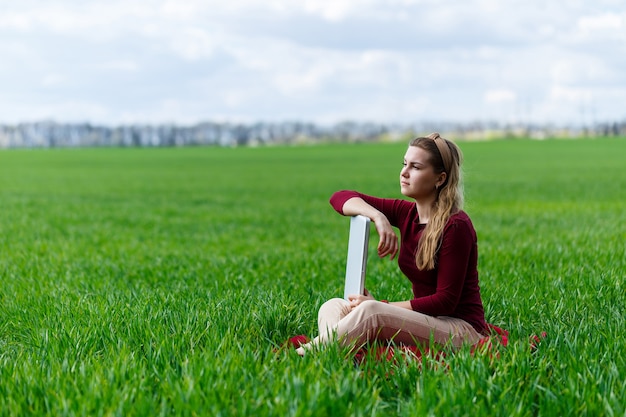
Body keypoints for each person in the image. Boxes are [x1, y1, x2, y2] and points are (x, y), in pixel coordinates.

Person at [296, 133, 487, 356]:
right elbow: (340, 197)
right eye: (404, 164)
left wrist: (382, 307)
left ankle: (310, 354)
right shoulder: (406, 213)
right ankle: (339, 352)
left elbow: (445, 302)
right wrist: (377, 216)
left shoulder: (456, 225)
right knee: (333, 306)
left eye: (415, 167)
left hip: (461, 330)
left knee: (370, 310)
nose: (404, 173)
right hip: (429, 321)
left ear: (440, 178)